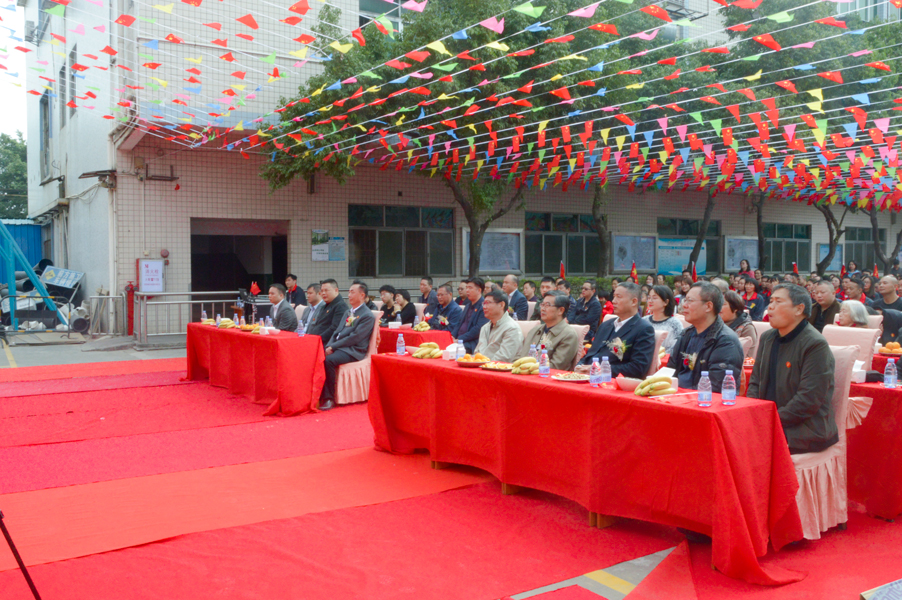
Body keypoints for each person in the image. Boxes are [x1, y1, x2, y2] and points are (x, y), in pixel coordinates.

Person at [747, 284, 837, 455]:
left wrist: (769, 421)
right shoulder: (767, 337)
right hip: (768, 421)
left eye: (778, 301)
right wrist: (754, 414)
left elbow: (808, 401)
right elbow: (755, 382)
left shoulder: (815, 344)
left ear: (799, 309)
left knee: (748, 449)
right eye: (770, 301)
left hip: (804, 429)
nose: (770, 306)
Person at [667, 282, 744, 392]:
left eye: (690, 301)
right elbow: (669, 372)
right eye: (685, 300)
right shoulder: (685, 335)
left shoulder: (726, 341)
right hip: (678, 395)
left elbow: (715, 387)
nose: (684, 305)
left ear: (708, 306)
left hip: (703, 399)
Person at [576, 282, 655, 378]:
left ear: (634, 302)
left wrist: (599, 369)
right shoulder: (605, 325)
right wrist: (579, 366)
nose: (613, 301)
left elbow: (637, 368)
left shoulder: (643, 329)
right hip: (586, 376)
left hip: (610, 380)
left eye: (619, 297)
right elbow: (591, 354)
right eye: (614, 296)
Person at [319, 282, 376, 411]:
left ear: (362, 295)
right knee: (317, 354)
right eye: (349, 292)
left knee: (328, 360)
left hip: (353, 350)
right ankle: (318, 394)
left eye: (352, 292)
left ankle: (329, 398)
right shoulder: (348, 312)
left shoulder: (367, 315)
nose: (349, 295)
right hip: (340, 346)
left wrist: (333, 347)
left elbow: (355, 338)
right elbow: (337, 331)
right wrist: (329, 345)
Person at [519, 291, 579, 369]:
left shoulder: (568, 335)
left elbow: (555, 367)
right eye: (542, 304)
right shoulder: (535, 330)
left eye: (547, 305)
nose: (542, 309)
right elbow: (521, 358)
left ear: (561, 310)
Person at [474, 289, 524, 363]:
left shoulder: (512, 328)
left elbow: (504, 358)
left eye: (488, 303)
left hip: (501, 368)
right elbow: (477, 353)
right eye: (483, 303)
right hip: (482, 366)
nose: (484, 307)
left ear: (501, 305)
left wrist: (482, 364)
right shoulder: (485, 327)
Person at [452, 277, 489, 354]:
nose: (467, 290)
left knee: (453, 350)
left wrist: (459, 339)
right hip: (460, 340)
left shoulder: (484, 306)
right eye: (467, 288)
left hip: (472, 342)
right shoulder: (467, 306)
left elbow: (478, 329)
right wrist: (452, 336)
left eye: (470, 288)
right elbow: (459, 323)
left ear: (479, 290)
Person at [644, 285, 682, 355]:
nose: (650, 301)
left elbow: (676, 348)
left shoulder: (675, 324)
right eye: (649, 298)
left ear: (666, 302)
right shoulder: (644, 321)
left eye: (654, 298)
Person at [308, 279, 348, 346]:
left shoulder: (340, 306)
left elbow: (335, 329)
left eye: (326, 290)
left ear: (336, 290)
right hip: (315, 340)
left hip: (326, 344)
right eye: (322, 291)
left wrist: (318, 338)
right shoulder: (325, 306)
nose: (323, 293)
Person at [721, 291, 758, 359]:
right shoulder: (714, 325)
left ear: (735, 308)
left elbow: (747, 358)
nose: (718, 307)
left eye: (723, 304)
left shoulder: (747, 328)